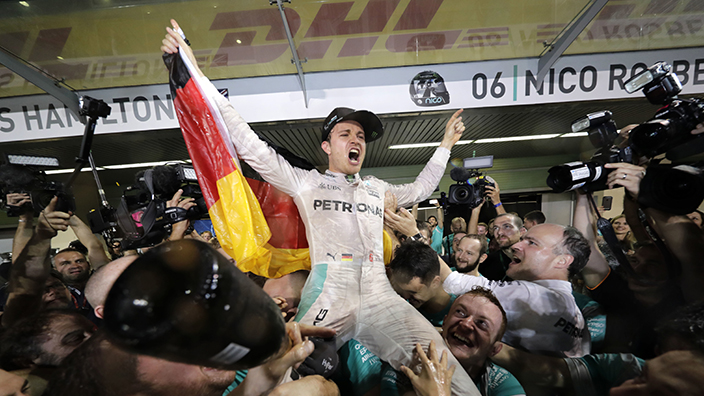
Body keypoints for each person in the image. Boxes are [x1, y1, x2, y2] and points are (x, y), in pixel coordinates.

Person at [161, 20, 479, 396]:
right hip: (329, 289)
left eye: (361, 136)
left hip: (380, 291)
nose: (356, 139)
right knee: (281, 371)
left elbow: (422, 187)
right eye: (346, 134)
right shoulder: (305, 181)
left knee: (446, 371)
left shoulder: (377, 189)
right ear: (327, 146)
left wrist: (445, 145)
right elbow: (245, 140)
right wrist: (195, 72)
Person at [441, 223, 591, 357]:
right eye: (522, 239)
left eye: (532, 243)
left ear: (562, 261)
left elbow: (451, 281)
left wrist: (417, 236)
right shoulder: (575, 313)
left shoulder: (531, 294)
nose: (516, 246)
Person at [387, 288, 525, 396]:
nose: (466, 324)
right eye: (460, 312)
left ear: (494, 349)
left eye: (482, 323)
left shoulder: (500, 383)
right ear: (445, 322)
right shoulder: (408, 361)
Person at [477, 214, 525, 281]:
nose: (499, 232)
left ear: (521, 232)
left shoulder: (533, 260)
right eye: (496, 228)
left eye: (507, 227)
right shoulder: (487, 262)